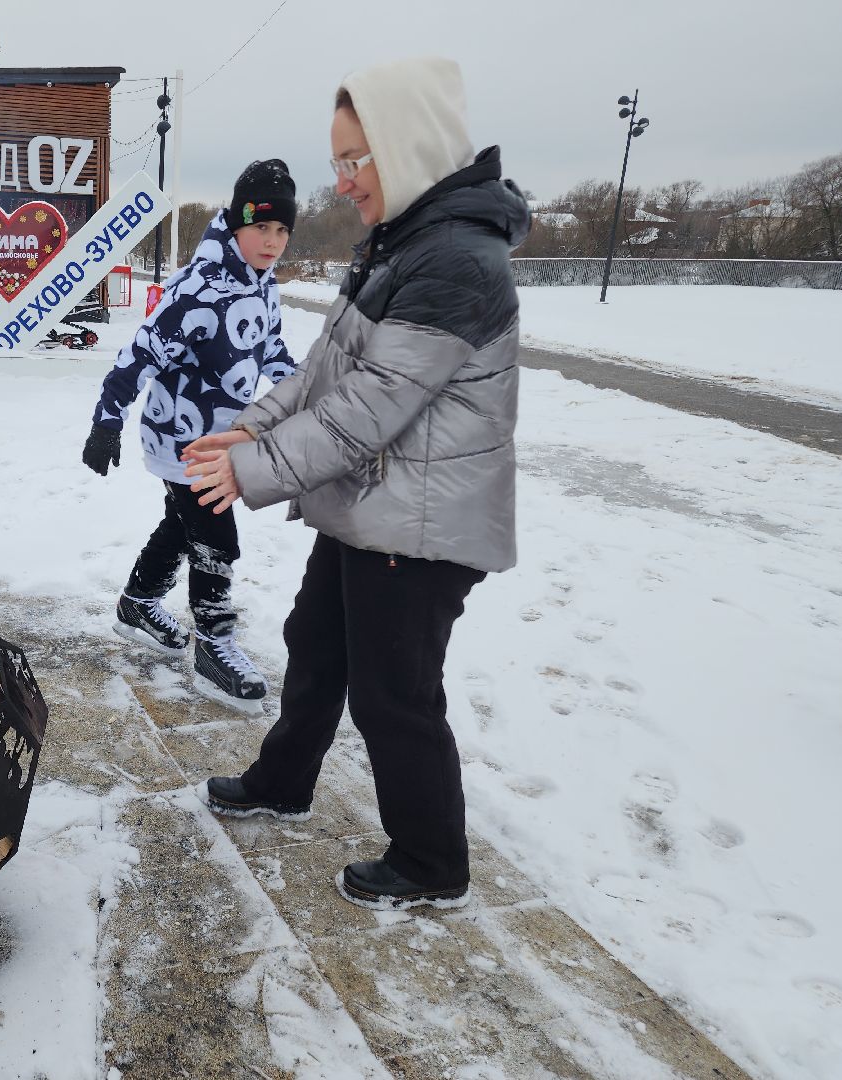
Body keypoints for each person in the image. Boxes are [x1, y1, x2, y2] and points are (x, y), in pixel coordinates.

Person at [183, 58, 530, 909]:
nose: (343, 182)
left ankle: (431, 863)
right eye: (336, 161)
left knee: (394, 696)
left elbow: (373, 407)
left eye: (356, 159)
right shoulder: (404, 242)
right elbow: (325, 371)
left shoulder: (456, 262)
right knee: (317, 643)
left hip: (421, 525)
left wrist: (251, 471)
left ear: (407, 149)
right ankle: (283, 781)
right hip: (370, 508)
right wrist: (254, 426)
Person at [82, 160, 300, 712]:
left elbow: (269, 349)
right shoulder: (198, 289)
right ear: (237, 222)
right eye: (261, 228)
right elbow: (139, 356)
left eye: (281, 231)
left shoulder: (261, 283)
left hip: (222, 435)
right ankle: (214, 643)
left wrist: (302, 393)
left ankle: (139, 601)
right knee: (216, 538)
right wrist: (107, 420)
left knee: (180, 527)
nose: (272, 242)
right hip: (182, 438)